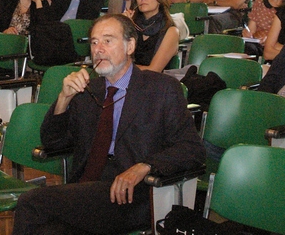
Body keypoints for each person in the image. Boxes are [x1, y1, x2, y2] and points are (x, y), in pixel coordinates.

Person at [12, 14, 206, 234]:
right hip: (87, 188)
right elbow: (53, 141)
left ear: (130, 45)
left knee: (31, 202)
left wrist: (145, 166)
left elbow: (192, 149)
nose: (98, 49)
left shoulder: (161, 89)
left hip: (132, 195)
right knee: (46, 230)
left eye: (108, 40)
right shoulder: (88, 90)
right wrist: (63, 99)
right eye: (94, 42)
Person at [123, 0, 179, 72]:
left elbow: (153, 70)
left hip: (156, 82)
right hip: (128, 79)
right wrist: (123, 26)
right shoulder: (132, 25)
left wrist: (121, 69)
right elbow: (115, 59)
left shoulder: (171, 31)